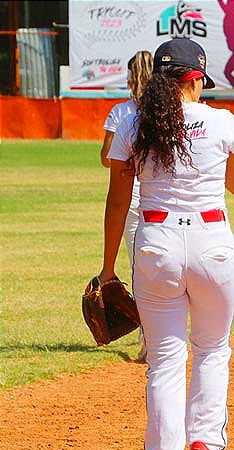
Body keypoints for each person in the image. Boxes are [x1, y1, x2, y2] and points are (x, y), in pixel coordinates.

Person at [102, 38, 234, 450]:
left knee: (164, 360)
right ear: (195, 78)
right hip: (212, 243)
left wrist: (107, 269)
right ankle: (205, 449)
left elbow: (118, 200)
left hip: (156, 244)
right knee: (212, 349)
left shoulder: (132, 121)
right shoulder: (222, 120)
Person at [100, 50, 153, 363]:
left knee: (139, 270)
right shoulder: (165, 110)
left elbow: (106, 158)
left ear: (132, 77)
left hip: (131, 199)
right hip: (160, 197)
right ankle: (160, 335)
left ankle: (150, 340)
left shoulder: (121, 112)